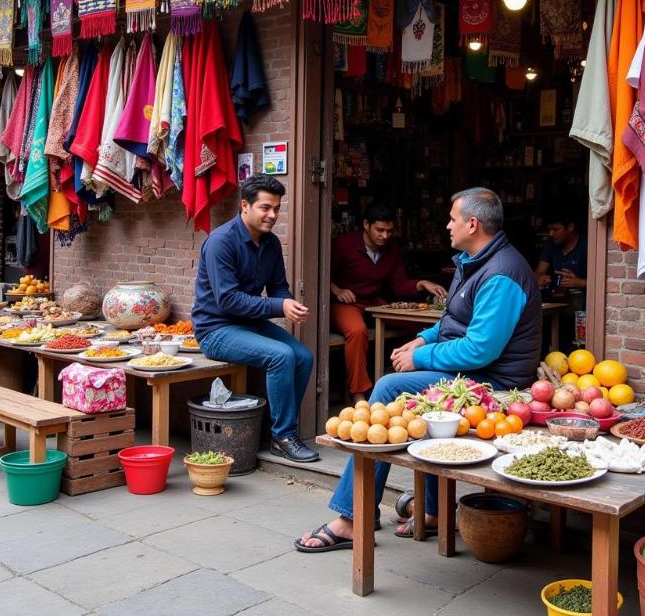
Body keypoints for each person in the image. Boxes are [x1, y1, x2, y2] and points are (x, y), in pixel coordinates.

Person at [295, 188, 542, 551]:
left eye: (452, 219)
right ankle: (431, 510)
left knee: (388, 389)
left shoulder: (502, 273)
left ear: (472, 224)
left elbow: (480, 349)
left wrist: (420, 359)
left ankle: (351, 517)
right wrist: (423, 341)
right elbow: (451, 322)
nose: (447, 226)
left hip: (494, 382)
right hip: (473, 374)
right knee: (399, 385)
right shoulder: (473, 261)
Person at [192, 173, 319, 463]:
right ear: (245, 206)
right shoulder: (220, 242)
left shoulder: (270, 243)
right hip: (215, 329)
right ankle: (284, 435)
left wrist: (288, 303)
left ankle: (279, 432)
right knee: (282, 356)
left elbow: (277, 287)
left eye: (276, 208)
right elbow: (228, 300)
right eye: (265, 208)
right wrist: (278, 306)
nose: (272, 215)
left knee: (303, 355)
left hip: (248, 325)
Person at [330, 202, 447, 402]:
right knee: (357, 331)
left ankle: (414, 379)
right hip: (345, 303)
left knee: (419, 325)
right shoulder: (345, 244)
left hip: (375, 302)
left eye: (389, 231)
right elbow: (322, 273)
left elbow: (398, 284)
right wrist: (337, 290)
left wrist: (421, 283)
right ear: (366, 225)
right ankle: (359, 394)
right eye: (380, 230)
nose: (384, 236)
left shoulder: (392, 249)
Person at [535, 212, 588, 292]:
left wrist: (581, 283)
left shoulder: (587, 245)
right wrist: (541, 279)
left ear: (570, 227)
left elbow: (602, 281)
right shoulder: (551, 244)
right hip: (556, 298)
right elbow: (540, 271)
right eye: (549, 229)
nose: (551, 234)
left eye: (555, 229)